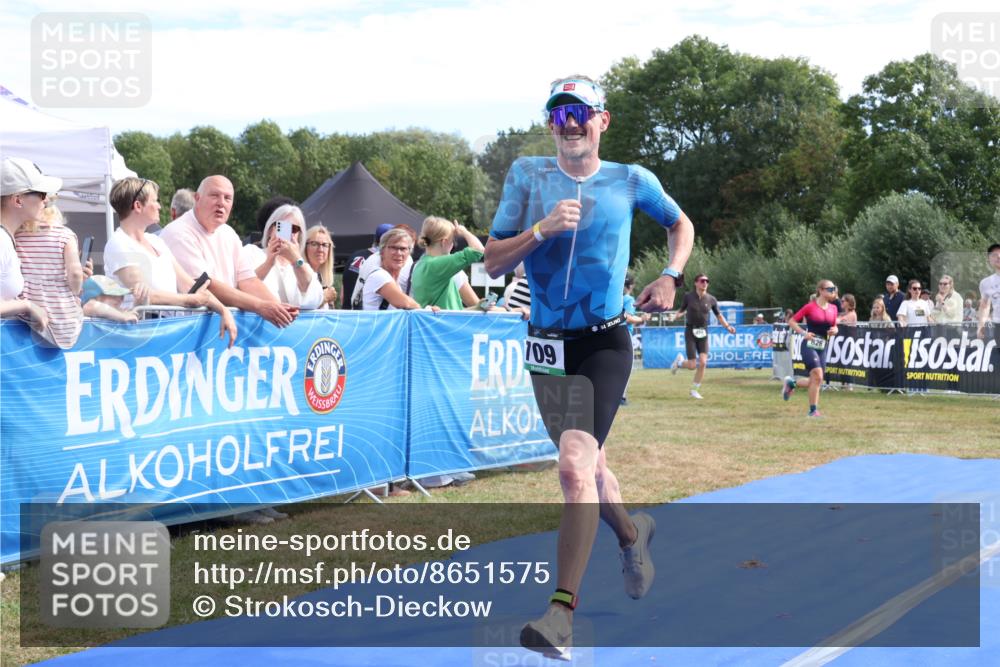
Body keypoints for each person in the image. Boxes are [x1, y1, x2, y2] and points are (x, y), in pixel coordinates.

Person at [484, 74, 695, 660]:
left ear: (603, 120)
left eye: (581, 112)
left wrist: (670, 276)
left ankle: (560, 616)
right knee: (590, 468)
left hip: (603, 342)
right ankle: (632, 533)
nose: (570, 123)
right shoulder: (527, 176)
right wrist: (541, 229)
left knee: (573, 467)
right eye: (559, 114)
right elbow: (493, 260)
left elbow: (680, 223)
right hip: (546, 345)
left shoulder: (632, 180)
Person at [104, 177, 237, 346]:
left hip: (166, 333)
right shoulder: (119, 243)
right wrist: (190, 300)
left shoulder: (156, 241)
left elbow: (188, 285)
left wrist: (223, 310)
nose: (159, 206)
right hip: (138, 338)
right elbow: (145, 295)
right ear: (138, 206)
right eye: (155, 201)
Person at [160, 175, 298, 328]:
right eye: (214, 195)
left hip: (220, 325)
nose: (221, 203)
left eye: (227, 198)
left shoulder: (228, 233)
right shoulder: (178, 232)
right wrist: (260, 306)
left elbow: (249, 280)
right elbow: (205, 285)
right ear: (197, 198)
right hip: (186, 329)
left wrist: (280, 309)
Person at [0, 157, 64, 334]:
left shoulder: (7, 238)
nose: (46, 200)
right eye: (42, 194)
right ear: (17, 200)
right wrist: (26, 305)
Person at [14, 204, 84, 348]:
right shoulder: (65, 235)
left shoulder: (16, 235)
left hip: (27, 308)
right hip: (61, 312)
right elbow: (75, 273)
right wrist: (76, 291)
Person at [244, 204, 324, 309]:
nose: (288, 233)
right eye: (281, 227)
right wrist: (268, 263)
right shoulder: (251, 252)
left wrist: (296, 260)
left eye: (294, 229)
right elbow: (242, 288)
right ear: (270, 230)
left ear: (299, 235)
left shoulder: (302, 266)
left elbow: (314, 299)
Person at [669, 274, 735, 399]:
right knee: (692, 365)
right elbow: (681, 311)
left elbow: (719, 316)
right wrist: (674, 316)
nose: (705, 283)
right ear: (696, 283)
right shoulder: (688, 296)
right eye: (702, 281)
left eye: (707, 281)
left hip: (703, 332)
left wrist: (728, 326)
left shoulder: (711, 299)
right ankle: (679, 363)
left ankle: (694, 390)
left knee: (703, 362)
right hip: (690, 331)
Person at [782, 280, 840, 417]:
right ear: (820, 290)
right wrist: (804, 333)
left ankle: (792, 383)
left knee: (817, 379)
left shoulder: (833, 308)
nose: (833, 291)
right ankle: (813, 411)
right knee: (818, 375)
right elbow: (791, 321)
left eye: (834, 289)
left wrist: (835, 330)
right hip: (809, 344)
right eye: (830, 289)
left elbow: (834, 326)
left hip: (822, 345)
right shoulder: (810, 307)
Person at [411, 217, 486, 309]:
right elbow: (478, 250)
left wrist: (477, 307)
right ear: (444, 242)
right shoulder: (437, 264)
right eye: (453, 241)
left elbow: (451, 310)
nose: (453, 245)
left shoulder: (420, 264)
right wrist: (464, 232)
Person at [362, 228, 438, 311]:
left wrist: (427, 310)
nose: (398, 253)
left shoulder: (395, 281)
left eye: (403, 249)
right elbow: (407, 303)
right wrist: (426, 311)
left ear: (409, 253)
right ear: (382, 251)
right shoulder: (379, 276)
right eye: (393, 248)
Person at [343, 223, 394, 309]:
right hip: (363, 313)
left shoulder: (355, 255)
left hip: (346, 310)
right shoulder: (378, 261)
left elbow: (343, 292)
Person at [620, 276, 649, 405]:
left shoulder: (614, 298)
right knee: (626, 367)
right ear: (631, 286)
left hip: (610, 334)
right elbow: (627, 318)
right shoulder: (629, 299)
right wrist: (642, 319)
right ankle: (621, 398)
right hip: (624, 335)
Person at [305, 225, 337, 309]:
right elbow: (298, 306)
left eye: (325, 245)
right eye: (314, 244)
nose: (320, 249)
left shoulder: (322, 278)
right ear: (304, 247)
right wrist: (324, 298)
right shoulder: (296, 274)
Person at [977, 242, 1000, 342]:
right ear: (989, 260)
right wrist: (981, 326)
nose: (998, 256)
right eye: (994, 255)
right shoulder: (985, 283)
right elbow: (984, 306)